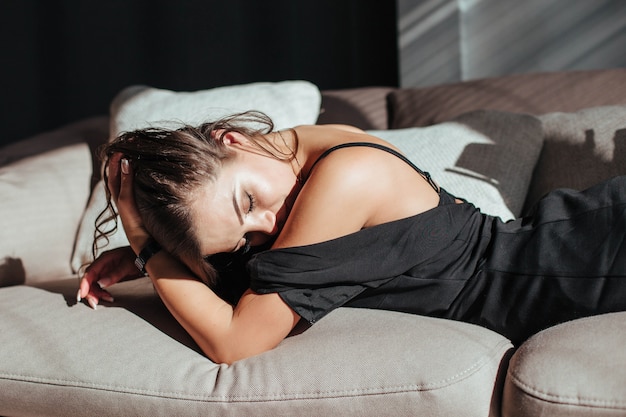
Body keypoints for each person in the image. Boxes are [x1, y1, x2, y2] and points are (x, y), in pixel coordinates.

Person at [78, 111, 626, 364]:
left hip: (579, 258)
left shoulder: (343, 176)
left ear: (235, 140)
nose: (267, 225)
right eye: (243, 235)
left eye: (247, 202)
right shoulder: (296, 157)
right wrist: (149, 252)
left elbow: (235, 341)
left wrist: (146, 243)